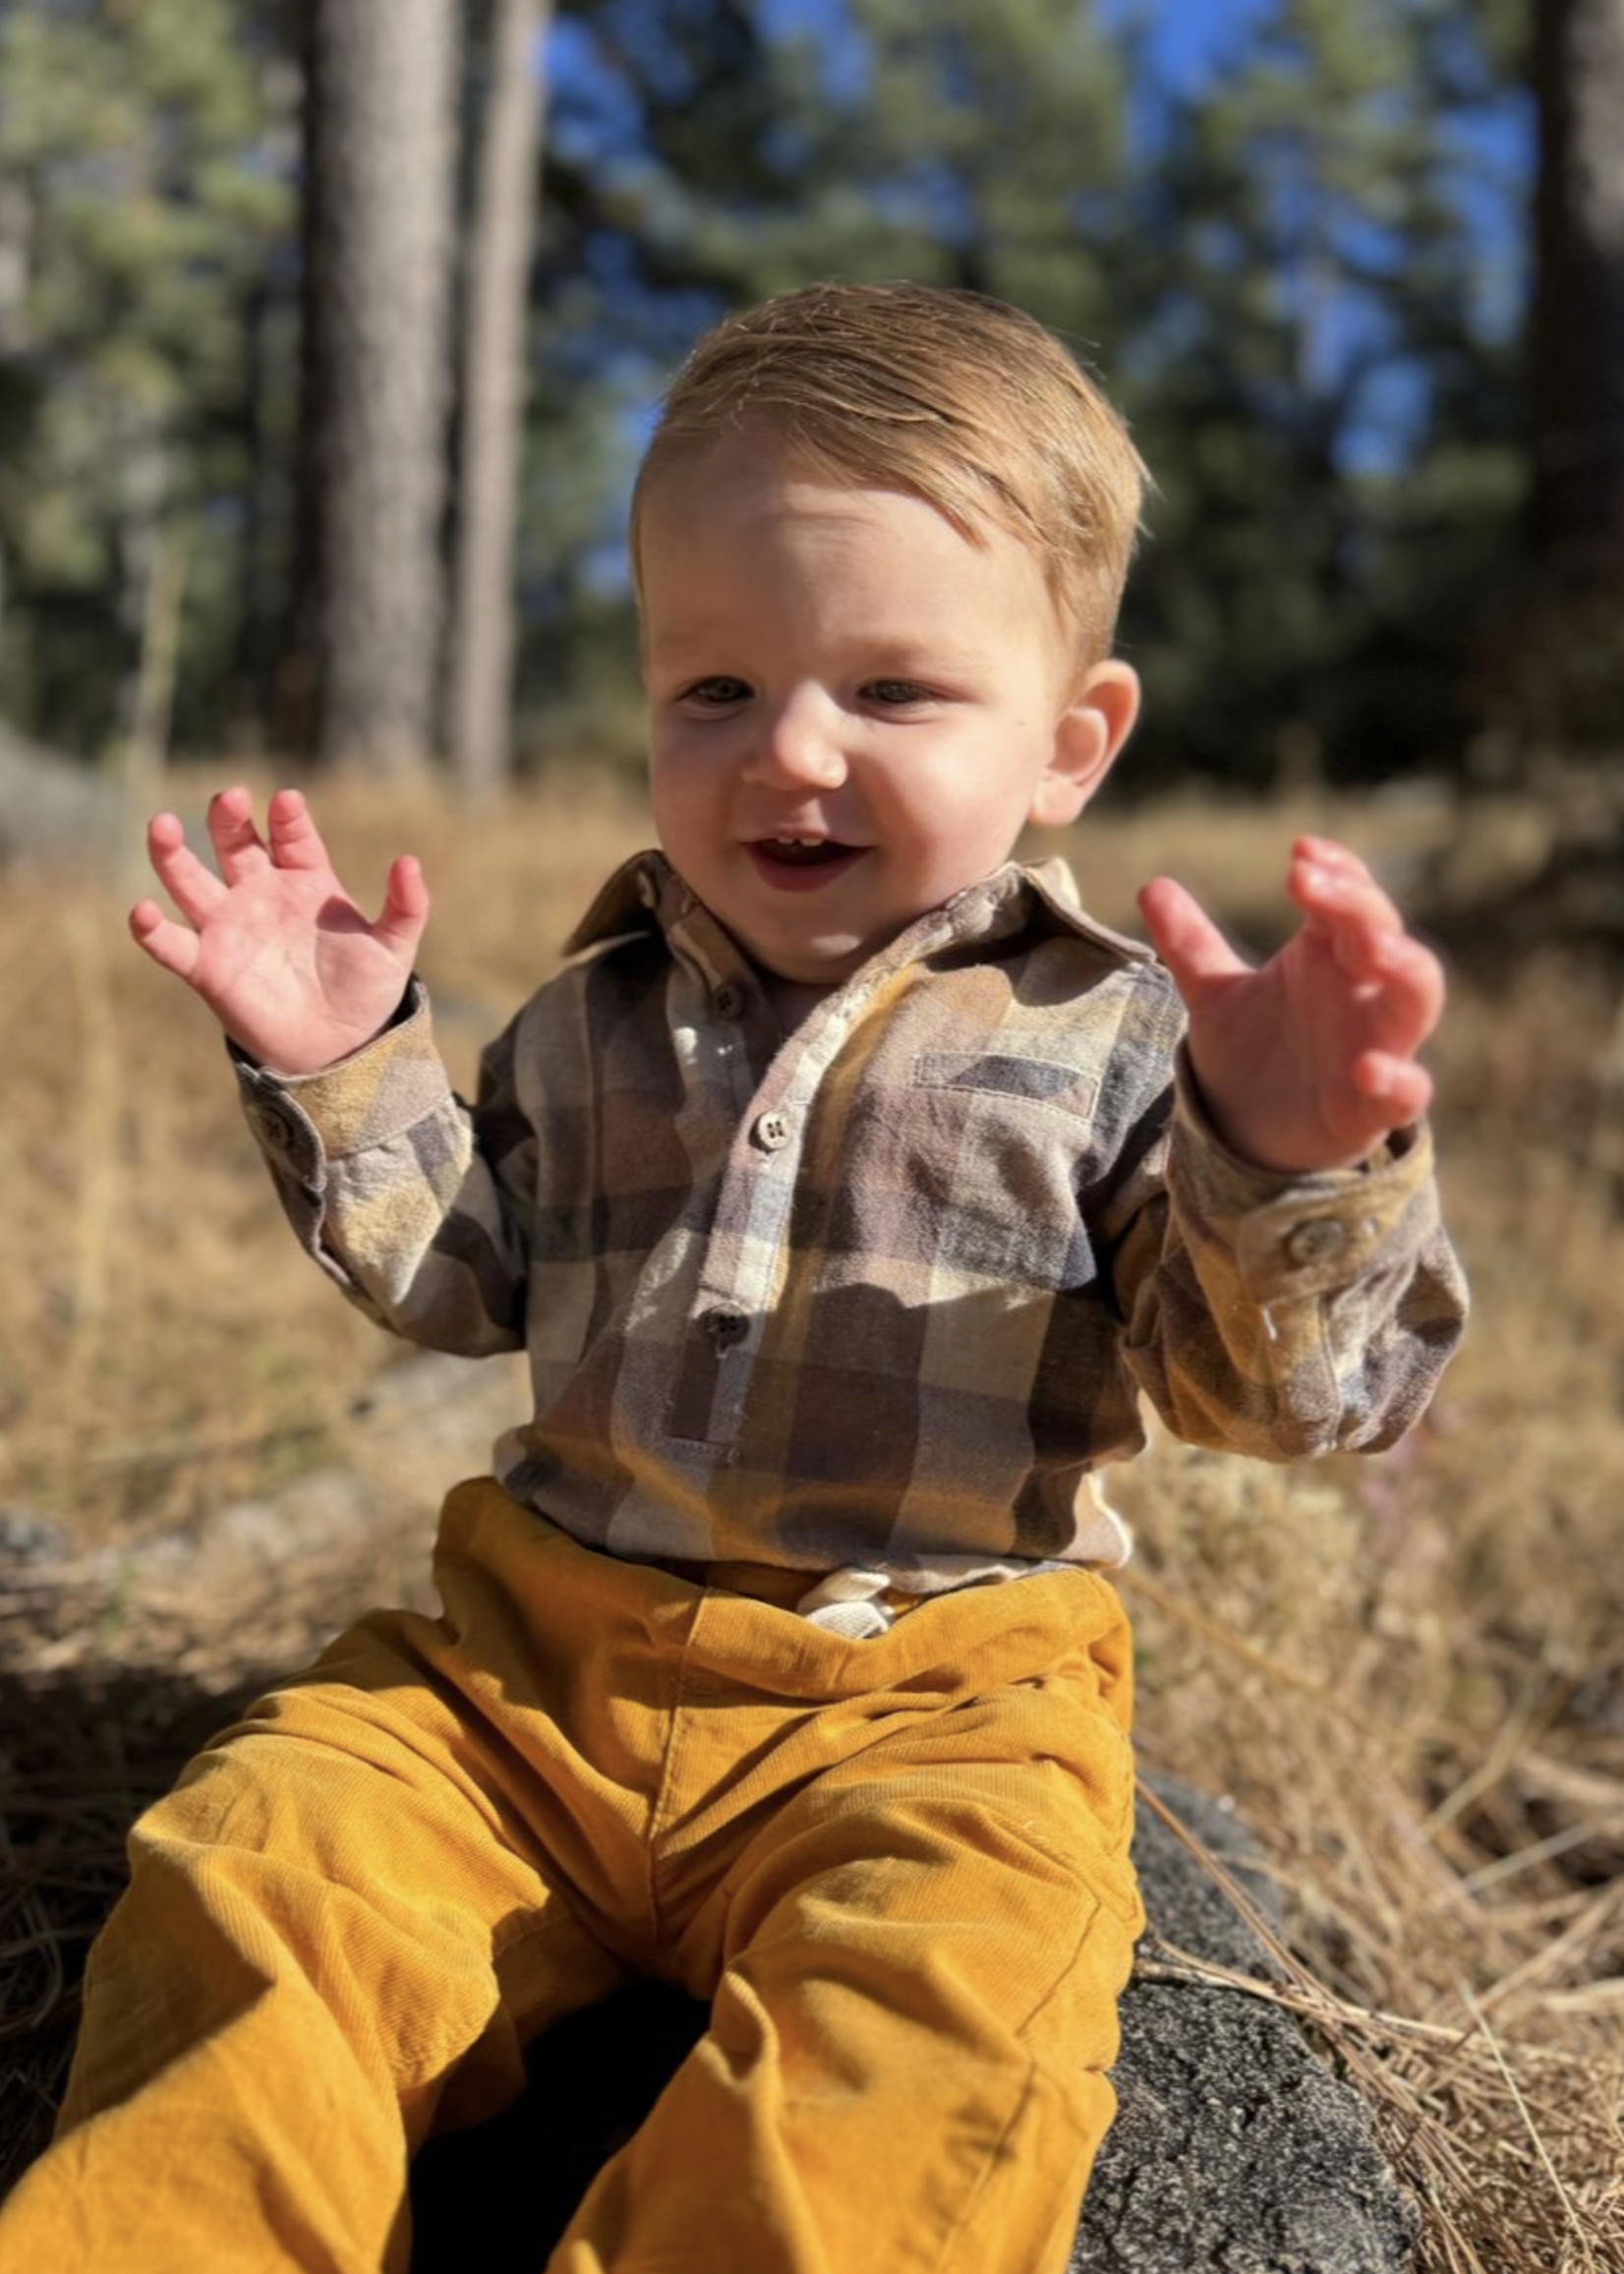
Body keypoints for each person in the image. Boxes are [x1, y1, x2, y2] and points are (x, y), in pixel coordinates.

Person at [0, 282, 1467, 2274]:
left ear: (1070, 737)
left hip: (929, 1701)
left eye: (889, 691)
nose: (789, 750)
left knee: (927, 2054)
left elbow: (1270, 1396)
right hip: (528, 1671)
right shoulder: (594, 1016)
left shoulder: (1121, 1046)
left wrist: (1291, 1161)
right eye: (714, 691)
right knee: (260, 1865)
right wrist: (346, 1065)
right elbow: (469, 1275)